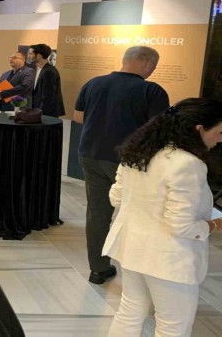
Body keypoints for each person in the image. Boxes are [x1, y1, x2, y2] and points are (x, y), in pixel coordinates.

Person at [104, 98, 222, 336]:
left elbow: (116, 198)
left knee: (130, 312)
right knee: (174, 326)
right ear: (199, 129)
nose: (220, 139)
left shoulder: (140, 152)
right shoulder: (189, 164)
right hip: (169, 258)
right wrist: (214, 225)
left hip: (131, 248)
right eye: (219, 132)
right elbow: (181, 226)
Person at [73, 46, 170, 285]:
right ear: (147, 63)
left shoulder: (93, 83)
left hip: (90, 154)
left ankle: (98, 269)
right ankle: (138, 272)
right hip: (128, 161)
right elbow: (159, 129)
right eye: (154, 66)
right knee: (137, 214)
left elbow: (78, 117)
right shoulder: (152, 91)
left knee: (97, 214)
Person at [28, 44, 66, 117]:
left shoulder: (48, 72)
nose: (29, 56)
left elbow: (48, 96)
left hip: (46, 113)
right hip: (40, 111)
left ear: (39, 56)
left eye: (31, 54)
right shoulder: (41, 69)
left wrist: (41, 114)